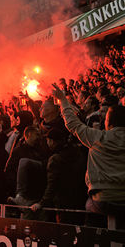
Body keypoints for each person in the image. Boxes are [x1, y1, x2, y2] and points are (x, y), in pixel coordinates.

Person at [52, 83, 125, 229]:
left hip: (102, 200)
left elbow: (72, 124)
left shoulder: (97, 137)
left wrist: (63, 100)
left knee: (89, 208)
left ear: (108, 121)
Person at [30, 128, 87, 225]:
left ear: (52, 141)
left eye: (47, 141)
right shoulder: (79, 153)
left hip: (63, 204)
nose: (47, 143)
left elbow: (52, 185)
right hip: (80, 201)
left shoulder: (55, 159)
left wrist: (41, 203)